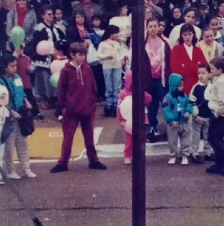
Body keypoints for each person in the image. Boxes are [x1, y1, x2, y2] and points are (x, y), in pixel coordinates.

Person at [50, 42, 107, 173]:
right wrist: (64, 107)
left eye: (84, 55)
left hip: (87, 108)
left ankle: (93, 160)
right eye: (80, 55)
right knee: (68, 137)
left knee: (89, 137)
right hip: (71, 111)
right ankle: (63, 162)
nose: (82, 57)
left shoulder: (87, 69)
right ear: (72, 55)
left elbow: (93, 86)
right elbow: (61, 90)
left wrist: (93, 102)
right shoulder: (65, 71)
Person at [0, 54, 36, 179]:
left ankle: (26, 168)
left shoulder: (18, 77)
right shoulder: (0, 81)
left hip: (21, 114)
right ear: (4, 67)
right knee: (9, 145)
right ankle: (10, 170)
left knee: (23, 142)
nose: (15, 68)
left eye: (15, 65)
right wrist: (10, 111)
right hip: (9, 117)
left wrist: (26, 101)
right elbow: (0, 100)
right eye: (12, 66)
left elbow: (22, 92)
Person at [205, 56, 224, 175]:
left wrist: (215, 111)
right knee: (217, 138)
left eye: (213, 68)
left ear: (220, 70)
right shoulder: (221, 79)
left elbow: (223, 101)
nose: (211, 70)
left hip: (221, 114)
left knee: (213, 137)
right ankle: (220, 163)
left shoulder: (222, 83)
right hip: (221, 113)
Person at [30, 7, 65, 111]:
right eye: (49, 14)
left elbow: (62, 39)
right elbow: (37, 43)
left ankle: (54, 98)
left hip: (56, 58)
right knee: (43, 79)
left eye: (52, 14)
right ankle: (43, 99)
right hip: (43, 59)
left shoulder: (57, 28)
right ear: (43, 16)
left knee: (55, 77)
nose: (51, 16)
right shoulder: (39, 29)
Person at [144, 18, 171, 142]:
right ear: (147, 27)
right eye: (150, 26)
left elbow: (169, 60)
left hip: (162, 79)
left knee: (166, 103)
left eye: (155, 26)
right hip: (148, 80)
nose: (153, 29)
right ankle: (151, 128)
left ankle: (171, 127)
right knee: (151, 105)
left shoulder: (165, 41)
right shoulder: (142, 42)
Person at [117, 72, 151, 165]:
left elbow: (149, 99)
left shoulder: (140, 91)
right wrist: (121, 119)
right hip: (129, 120)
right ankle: (127, 155)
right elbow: (119, 107)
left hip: (141, 118)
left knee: (141, 138)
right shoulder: (123, 93)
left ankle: (140, 155)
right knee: (129, 139)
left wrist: (143, 92)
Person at [163, 73, 193, 165]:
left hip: (184, 121)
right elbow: (166, 110)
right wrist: (171, 120)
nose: (181, 87)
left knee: (186, 139)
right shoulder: (168, 98)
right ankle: (173, 155)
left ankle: (185, 155)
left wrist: (188, 111)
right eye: (179, 85)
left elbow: (189, 104)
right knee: (172, 140)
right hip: (173, 123)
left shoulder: (185, 96)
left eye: (182, 85)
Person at [170, 23, 208, 94]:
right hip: (182, 87)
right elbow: (175, 69)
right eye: (185, 34)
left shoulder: (198, 50)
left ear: (193, 35)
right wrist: (195, 66)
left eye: (189, 34)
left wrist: (186, 66)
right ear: (181, 36)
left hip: (197, 87)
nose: (187, 37)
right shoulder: (176, 49)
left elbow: (205, 68)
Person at [189, 64, 214, 164]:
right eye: (199, 73)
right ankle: (194, 152)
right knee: (196, 135)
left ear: (209, 73)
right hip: (199, 116)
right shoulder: (196, 87)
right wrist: (195, 114)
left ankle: (208, 152)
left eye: (203, 73)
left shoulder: (212, 86)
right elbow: (192, 101)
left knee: (208, 134)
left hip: (209, 115)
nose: (201, 75)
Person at [97, 24, 123, 117]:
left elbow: (120, 54)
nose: (117, 35)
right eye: (115, 33)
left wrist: (122, 59)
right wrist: (107, 56)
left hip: (117, 66)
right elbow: (99, 55)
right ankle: (109, 105)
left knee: (117, 86)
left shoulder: (117, 43)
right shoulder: (103, 43)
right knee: (109, 87)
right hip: (107, 66)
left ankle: (115, 105)